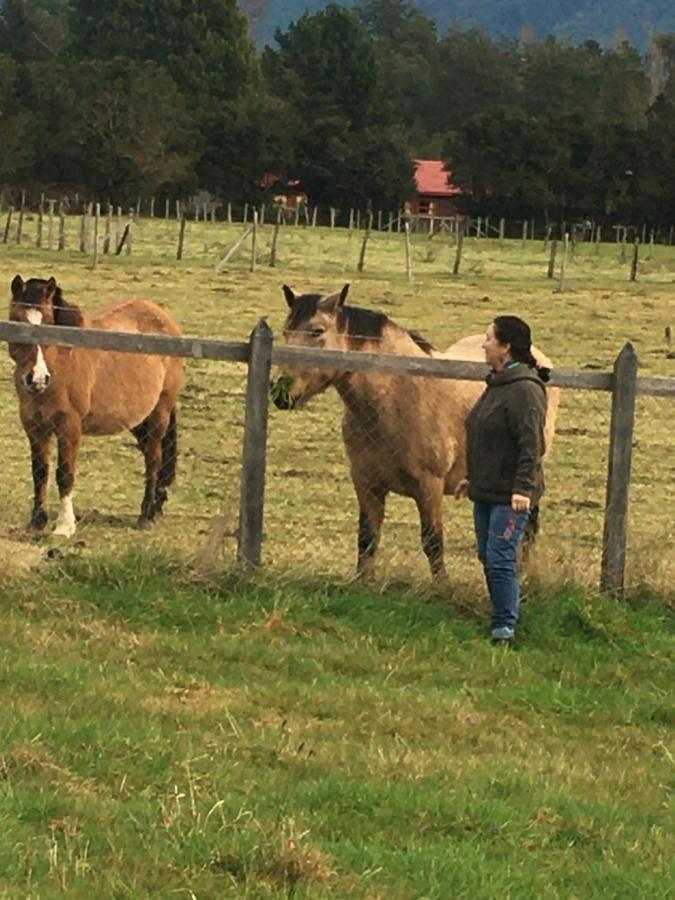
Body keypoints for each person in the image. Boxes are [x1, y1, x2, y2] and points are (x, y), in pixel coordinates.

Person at [454, 316, 550, 644]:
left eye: (489, 339)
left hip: (511, 496)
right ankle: (500, 613)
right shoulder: (496, 385)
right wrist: (471, 479)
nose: (483, 344)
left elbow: (531, 444)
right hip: (486, 489)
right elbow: (486, 436)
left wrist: (523, 488)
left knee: (500, 558)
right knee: (487, 554)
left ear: (505, 347)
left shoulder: (524, 390)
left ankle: (504, 627)